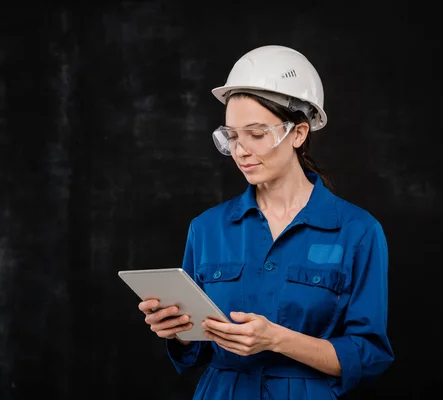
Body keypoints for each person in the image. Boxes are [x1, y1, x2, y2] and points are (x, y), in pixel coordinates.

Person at [138, 44, 394, 399]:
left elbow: (368, 356)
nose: (241, 151)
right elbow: (195, 351)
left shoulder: (358, 232)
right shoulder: (207, 229)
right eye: (232, 137)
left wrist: (277, 339)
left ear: (299, 134)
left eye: (256, 134)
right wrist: (177, 329)